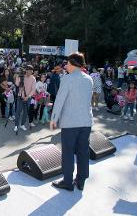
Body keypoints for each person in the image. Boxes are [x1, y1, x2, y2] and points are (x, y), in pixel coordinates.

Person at [50, 52, 93, 191]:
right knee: (83, 151)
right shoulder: (89, 79)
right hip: (86, 121)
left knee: (68, 152)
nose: (66, 65)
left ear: (73, 64)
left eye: (67, 63)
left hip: (70, 122)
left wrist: (54, 118)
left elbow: (59, 100)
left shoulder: (67, 79)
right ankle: (81, 181)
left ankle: (67, 182)